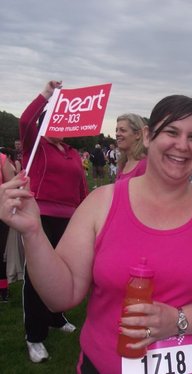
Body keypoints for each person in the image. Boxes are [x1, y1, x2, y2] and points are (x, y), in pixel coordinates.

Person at [0, 94, 192, 374]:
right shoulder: (102, 203)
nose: (182, 145)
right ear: (147, 136)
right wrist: (33, 232)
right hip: (106, 363)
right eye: (171, 132)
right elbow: (62, 296)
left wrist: (179, 320)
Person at [18, 80, 88, 363]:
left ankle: (56, 317)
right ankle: (34, 336)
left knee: (64, 271)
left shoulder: (71, 152)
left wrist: (85, 213)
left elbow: (81, 185)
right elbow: (25, 119)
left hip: (70, 218)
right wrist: (47, 94)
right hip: (41, 216)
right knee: (37, 278)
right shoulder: (35, 145)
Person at [0, 149, 15, 301]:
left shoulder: (2, 159)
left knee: (0, 252)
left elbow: (12, 186)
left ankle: (3, 289)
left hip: (0, 211)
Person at [115, 113, 147, 181]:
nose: (117, 134)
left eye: (122, 130)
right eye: (116, 130)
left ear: (137, 134)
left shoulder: (144, 165)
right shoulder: (123, 163)